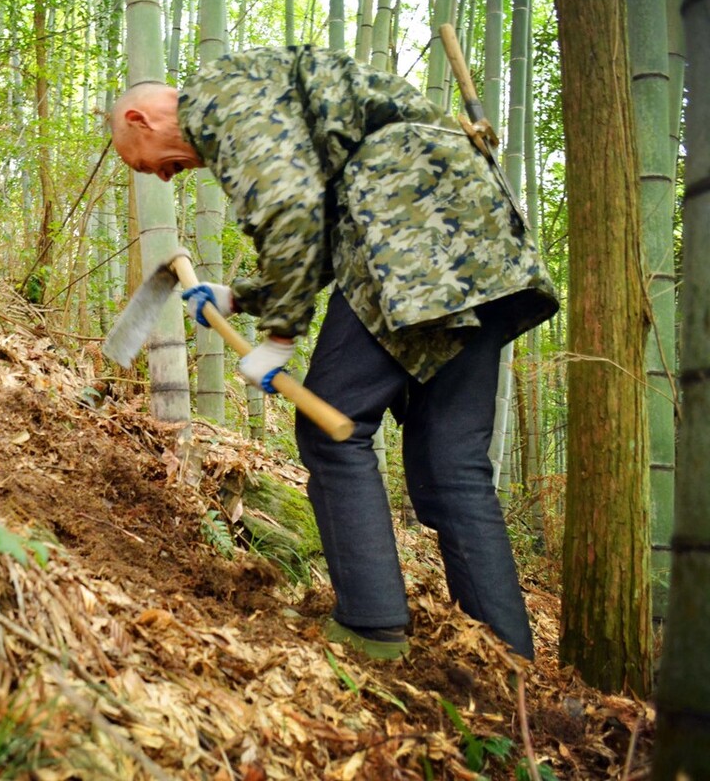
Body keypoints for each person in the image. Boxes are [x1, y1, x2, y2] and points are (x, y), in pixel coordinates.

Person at [109, 46, 558, 661]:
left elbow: (292, 209)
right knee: (451, 467)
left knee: (332, 431)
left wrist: (281, 336)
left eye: (152, 166)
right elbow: (319, 226)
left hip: (411, 229)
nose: (167, 175)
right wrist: (244, 297)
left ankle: (372, 628)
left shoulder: (217, 97)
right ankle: (513, 671)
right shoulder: (263, 97)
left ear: (142, 120)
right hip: (476, 243)